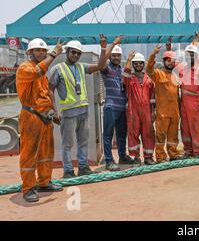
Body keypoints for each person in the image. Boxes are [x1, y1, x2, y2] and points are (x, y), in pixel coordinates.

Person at [49, 35, 111, 178]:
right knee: (67, 144)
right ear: (67, 52)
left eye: (78, 53)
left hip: (83, 110)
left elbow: (101, 66)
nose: (76, 55)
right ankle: (68, 170)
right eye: (73, 52)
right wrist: (54, 111)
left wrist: (103, 48)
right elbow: (49, 90)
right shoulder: (58, 69)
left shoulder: (81, 67)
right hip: (68, 112)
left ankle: (83, 167)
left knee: (83, 141)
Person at [16, 38, 65, 202]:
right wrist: (53, 54)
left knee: (46, 152)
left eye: (44, 51)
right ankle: (28, 188)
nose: (41, 53)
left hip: (45, 117)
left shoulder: (43, 74)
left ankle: (44, 182)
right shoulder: (25, 68)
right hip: (30, 116)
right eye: (38, 50)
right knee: (29, 153)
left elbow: (46, 94)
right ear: (30, 52)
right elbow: (38, 70)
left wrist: (54, 112)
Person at [101, 37, 135, 171]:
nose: (115, 57)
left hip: (122, 107)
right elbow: (103, 60)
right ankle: (109, 160)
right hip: (111, 106)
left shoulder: (122, 69)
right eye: (114, 55)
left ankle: (122, 156)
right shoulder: (106, 68)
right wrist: (113, 44)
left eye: (118, 55)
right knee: (108, 134)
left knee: (122, 133)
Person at [146, 45, 181, 163]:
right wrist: (153, 54)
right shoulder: (158, 74)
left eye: (172, 61)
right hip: (163, 113)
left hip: (175, 112)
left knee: (173, 136)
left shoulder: (176, 76)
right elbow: (149, 69)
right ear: (164, 61)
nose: (171, 63)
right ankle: (160, 157)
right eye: (168, 60)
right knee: (160, 136)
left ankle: (173, 154)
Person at [176, 44, 199, 158]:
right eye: (187, 54)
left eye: (191, 54)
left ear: (196, 56)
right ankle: (188, 150)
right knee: (185, 127)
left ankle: (198, 151)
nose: (189, 56)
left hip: (195, 102)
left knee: (196, 127)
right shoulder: (182, 69)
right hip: (184, 102)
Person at [122, 51, 156, 165]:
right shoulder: (129, 79)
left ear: (143, 64)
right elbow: (124, 77)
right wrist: (128, 60)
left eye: (140, 63)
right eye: (135, 64)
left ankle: (148, 157)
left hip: (147, 111)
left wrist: (153, 111)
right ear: (133, 65)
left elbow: (152, 97)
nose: (138, 66)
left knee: (148, 133)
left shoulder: (149, 79)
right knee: (133, 134)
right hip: (133, 111)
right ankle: (136, 157)